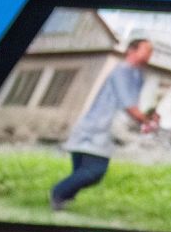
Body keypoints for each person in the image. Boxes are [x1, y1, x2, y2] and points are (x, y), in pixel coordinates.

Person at [50, 38, 154, 211]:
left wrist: (142, 119)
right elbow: (128, 104)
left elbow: (131, 106)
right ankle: (58, 192)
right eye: (147, 50)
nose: (150, 54)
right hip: (97, 128)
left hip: (103, 129)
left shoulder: (137, 75)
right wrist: (145, 120)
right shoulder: (122, 71)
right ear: (132, 50)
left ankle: (60, 201)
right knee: (94, 171)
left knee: (84, 172)